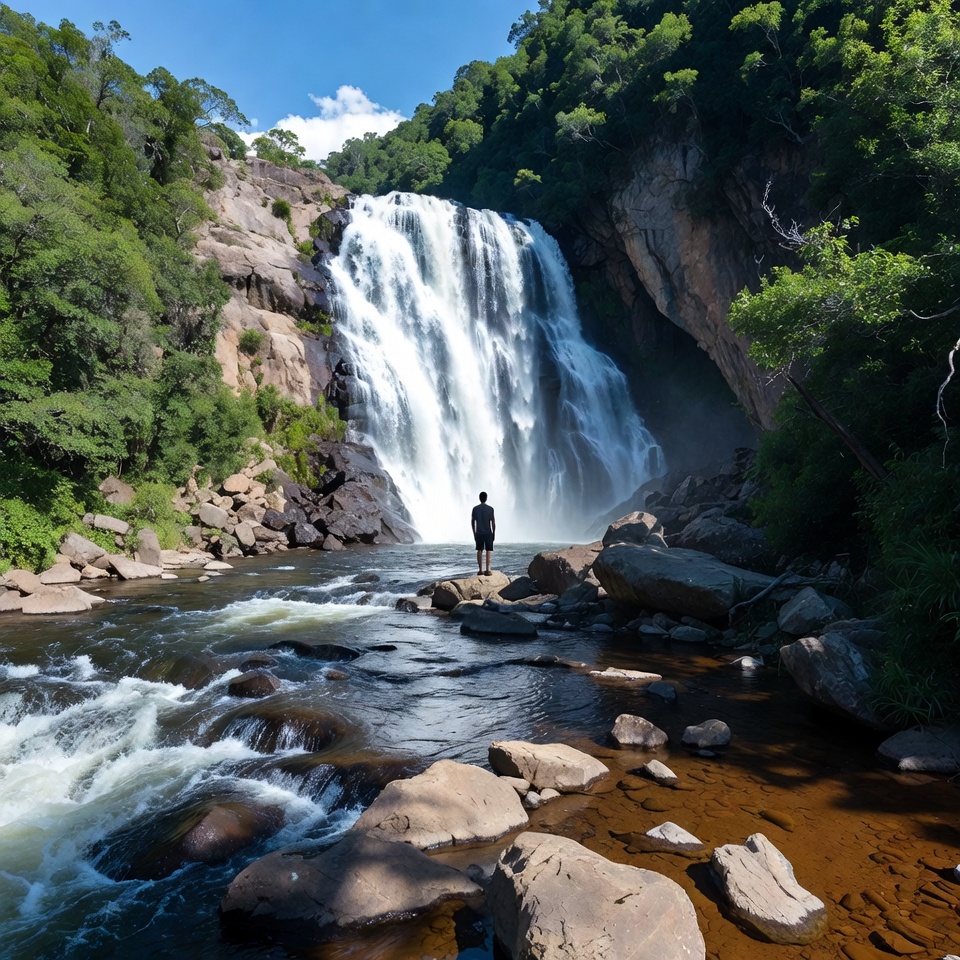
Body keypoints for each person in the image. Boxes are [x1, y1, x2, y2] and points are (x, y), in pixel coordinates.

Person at [471, 491, 496, 575]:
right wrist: (494, 533)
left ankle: (480, 570)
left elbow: (472, 521)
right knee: (488, 550)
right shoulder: (490, 509)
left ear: (479, 498)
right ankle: (488, 570)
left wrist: (474, 533)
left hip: (479, 532)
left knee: (479, 550)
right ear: (486, 498)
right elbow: (493, 522)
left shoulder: (475, 509)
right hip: (488, 532)